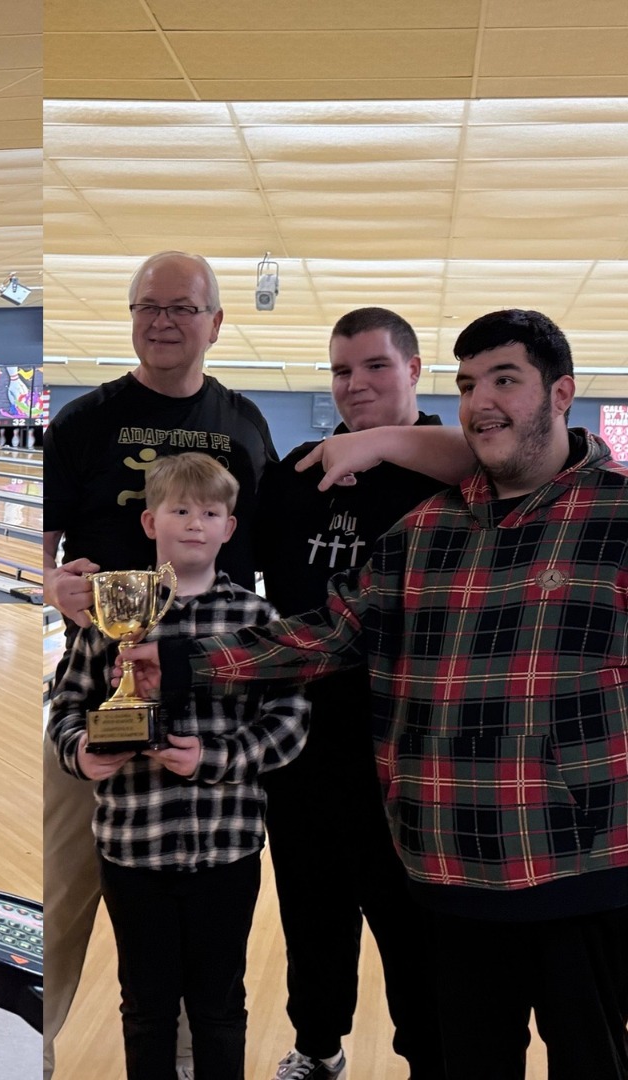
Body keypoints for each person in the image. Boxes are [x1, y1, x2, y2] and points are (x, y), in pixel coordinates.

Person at [126, 309, 628, 1079]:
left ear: (562, 393)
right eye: (470, 384)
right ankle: (319, 1043)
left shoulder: (616, 516)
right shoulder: (426, 529)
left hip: (580, 872)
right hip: (452, 873)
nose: (482, 401)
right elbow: (328, 631)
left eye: (505, 380)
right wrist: (183, 660)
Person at [40, 251, 276, 1077]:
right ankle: (35, 1045)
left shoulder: (245, 423)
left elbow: (263, 548)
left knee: (202, 954)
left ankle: (183, 1061)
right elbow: (35, 549)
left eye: (182, 307)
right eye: (148, 306)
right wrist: (50, 584)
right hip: (100, 677)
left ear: (216, 322)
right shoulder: (84, 420)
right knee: (64, 894)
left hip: (212, 692)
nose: (163, 321)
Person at [50, 453, 308, 1080]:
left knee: (219, 1006)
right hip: (132, 846)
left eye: (211, 513)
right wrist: (81, 751)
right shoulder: (111, 610)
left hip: (227, 846)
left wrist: (214, 758)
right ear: (150, 522)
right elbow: (67, 705)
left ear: (230, 527)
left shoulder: (257, 621)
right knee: (145, 1006)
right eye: (181, 510)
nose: (196, 523)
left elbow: (290, 720)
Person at [253, 309, 448, 1080]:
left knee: (414, 929)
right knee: (312, 915)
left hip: (412, 750)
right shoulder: (297, 475)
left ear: (415, 370)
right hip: (305, 742)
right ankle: (318, 1047)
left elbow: (554, 460)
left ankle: (429, 1058)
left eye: (375, 366)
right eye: (341, 370)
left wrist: (381, 443)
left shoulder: (458, 475)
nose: (355, 384)